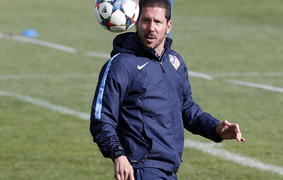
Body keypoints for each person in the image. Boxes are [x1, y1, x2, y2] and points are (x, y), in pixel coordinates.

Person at [90, 0, 245, 179]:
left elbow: (187, 109)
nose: (151, 28)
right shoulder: (121, 65)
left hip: (169, 169)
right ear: (137, 22)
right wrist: (118, 155)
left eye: (158, 22)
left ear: (168, 25)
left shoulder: (174, 63)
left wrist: (215, 128)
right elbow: (101, 119)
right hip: (141, 168)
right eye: (146, 20)